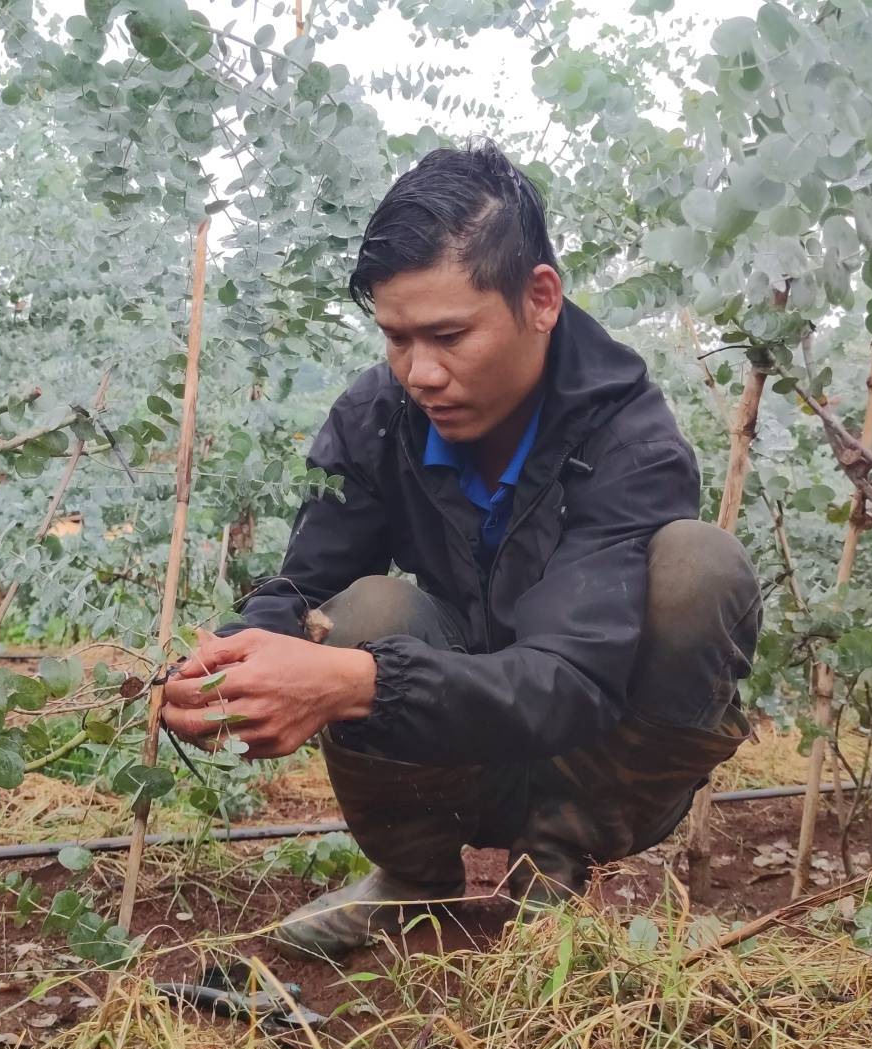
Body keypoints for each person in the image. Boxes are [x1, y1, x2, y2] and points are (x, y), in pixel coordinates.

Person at [157, 140, 762, 960]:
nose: (420, 373)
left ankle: (554, 869)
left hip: (587, 736)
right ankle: (416, 877)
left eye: (448, 335)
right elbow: (302, 582)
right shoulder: (377, 418)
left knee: (700, 567)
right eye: (396, 339)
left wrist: (356, 680)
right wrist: (229, 656)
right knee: (361, 611)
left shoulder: (630, 441)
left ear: (540, 299)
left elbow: (575, 681)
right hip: (452, 722)